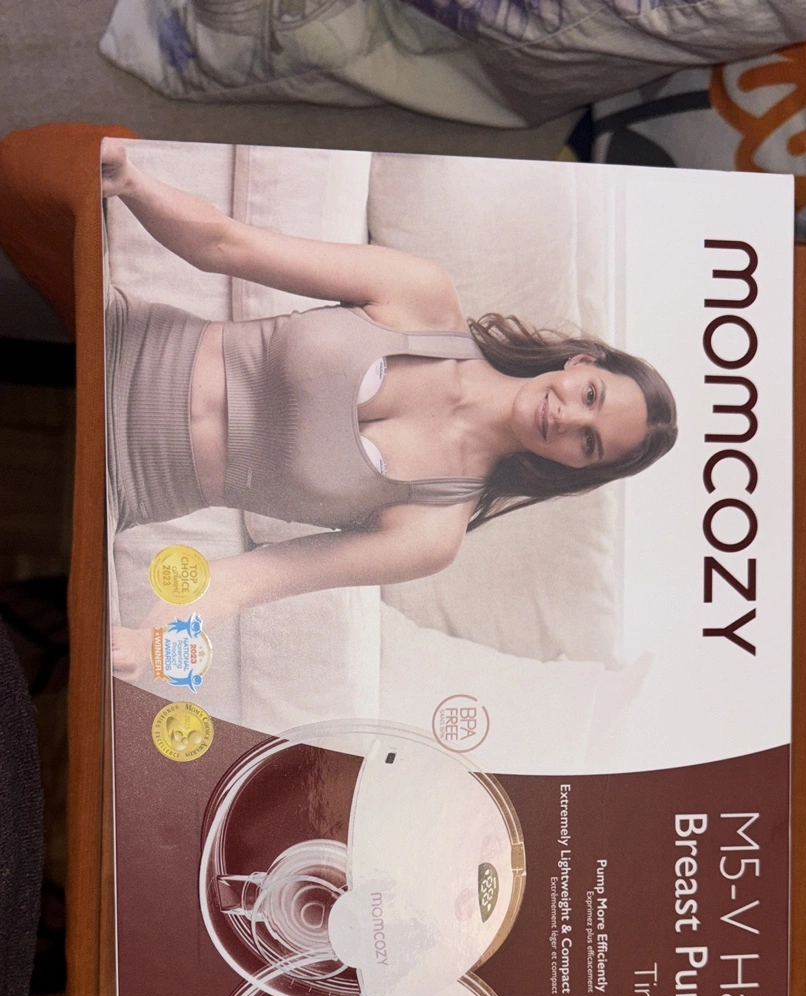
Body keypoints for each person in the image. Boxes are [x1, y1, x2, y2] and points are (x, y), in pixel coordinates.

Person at [101, 140, 677, 679]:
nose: (569, 417)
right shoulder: (423, 294)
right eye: (592, 396)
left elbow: (248, 580)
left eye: (588, 442)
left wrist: (151, 641)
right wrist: (132, 183)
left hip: (119, 485)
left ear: (576, 468)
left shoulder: (434, 530)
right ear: (582, 362)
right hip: (119, 339)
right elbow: (226, 245)